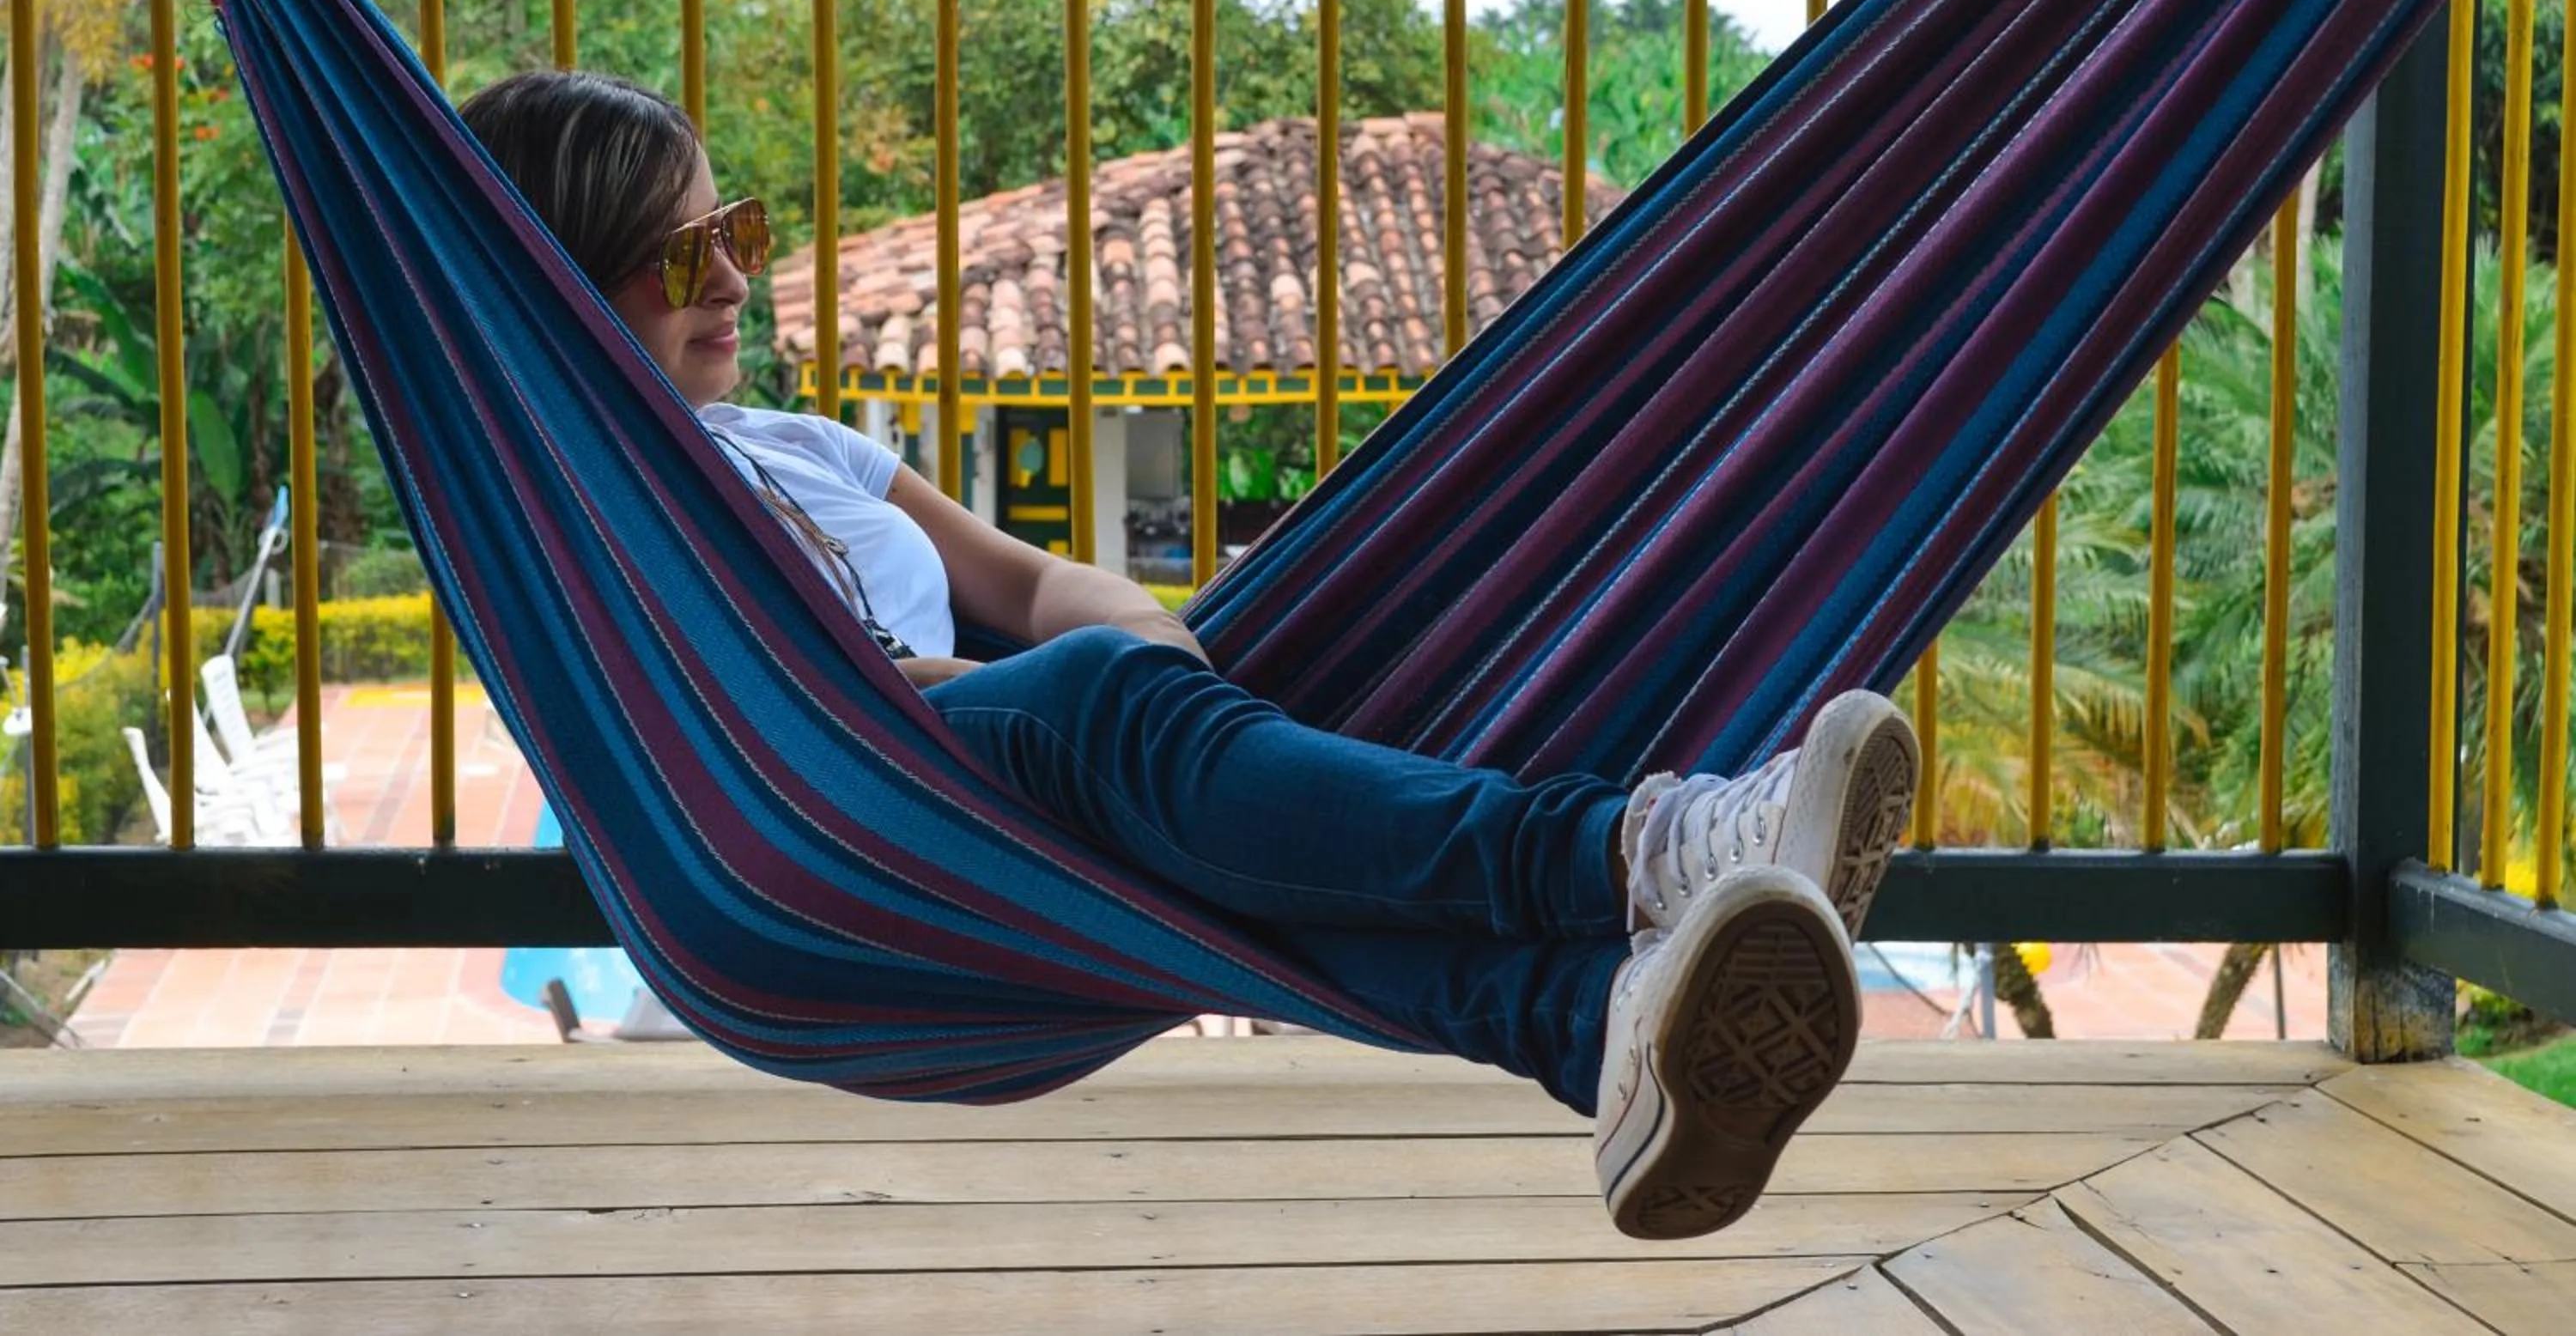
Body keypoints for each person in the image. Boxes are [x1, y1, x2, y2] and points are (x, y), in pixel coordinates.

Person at [459, 69, 1923, 1241]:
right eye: (679, 250)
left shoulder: (802, 445)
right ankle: (1646, 845)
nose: (728, 276)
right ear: (565, 285)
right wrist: (1057, 692)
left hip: (982, 784)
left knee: (1134, 725)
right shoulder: (584, 516)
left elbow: (1028, 583)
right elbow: (741, 714)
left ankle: (1595, 1026)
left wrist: (1162, 650)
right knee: (1098, 709)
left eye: (742, 231)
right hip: (829, 837)